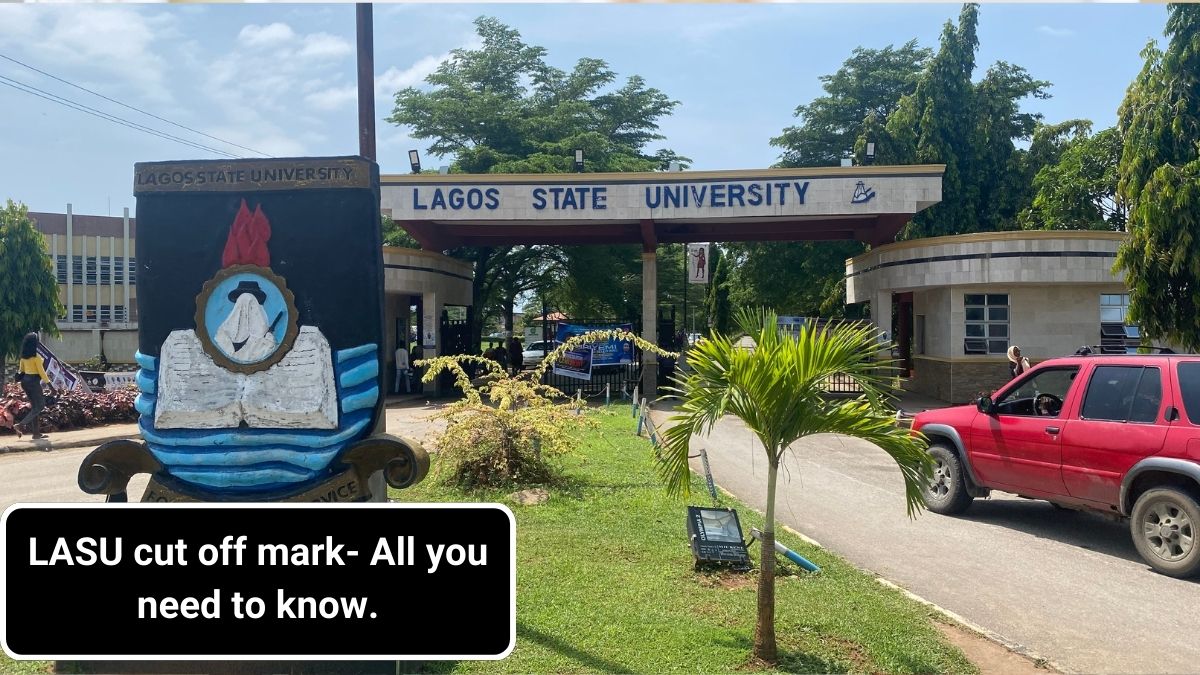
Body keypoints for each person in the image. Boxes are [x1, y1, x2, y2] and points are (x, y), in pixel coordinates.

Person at [14, 332, 59, 440]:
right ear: (34, 344)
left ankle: (36, 433)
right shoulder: (36, 357)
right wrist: (51, 386)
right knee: (40, 406)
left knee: (35, 407)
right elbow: (42, 372)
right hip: (33, 382)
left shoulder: (23, 357)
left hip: (25, 382)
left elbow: (22, 370)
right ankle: (20, 425)